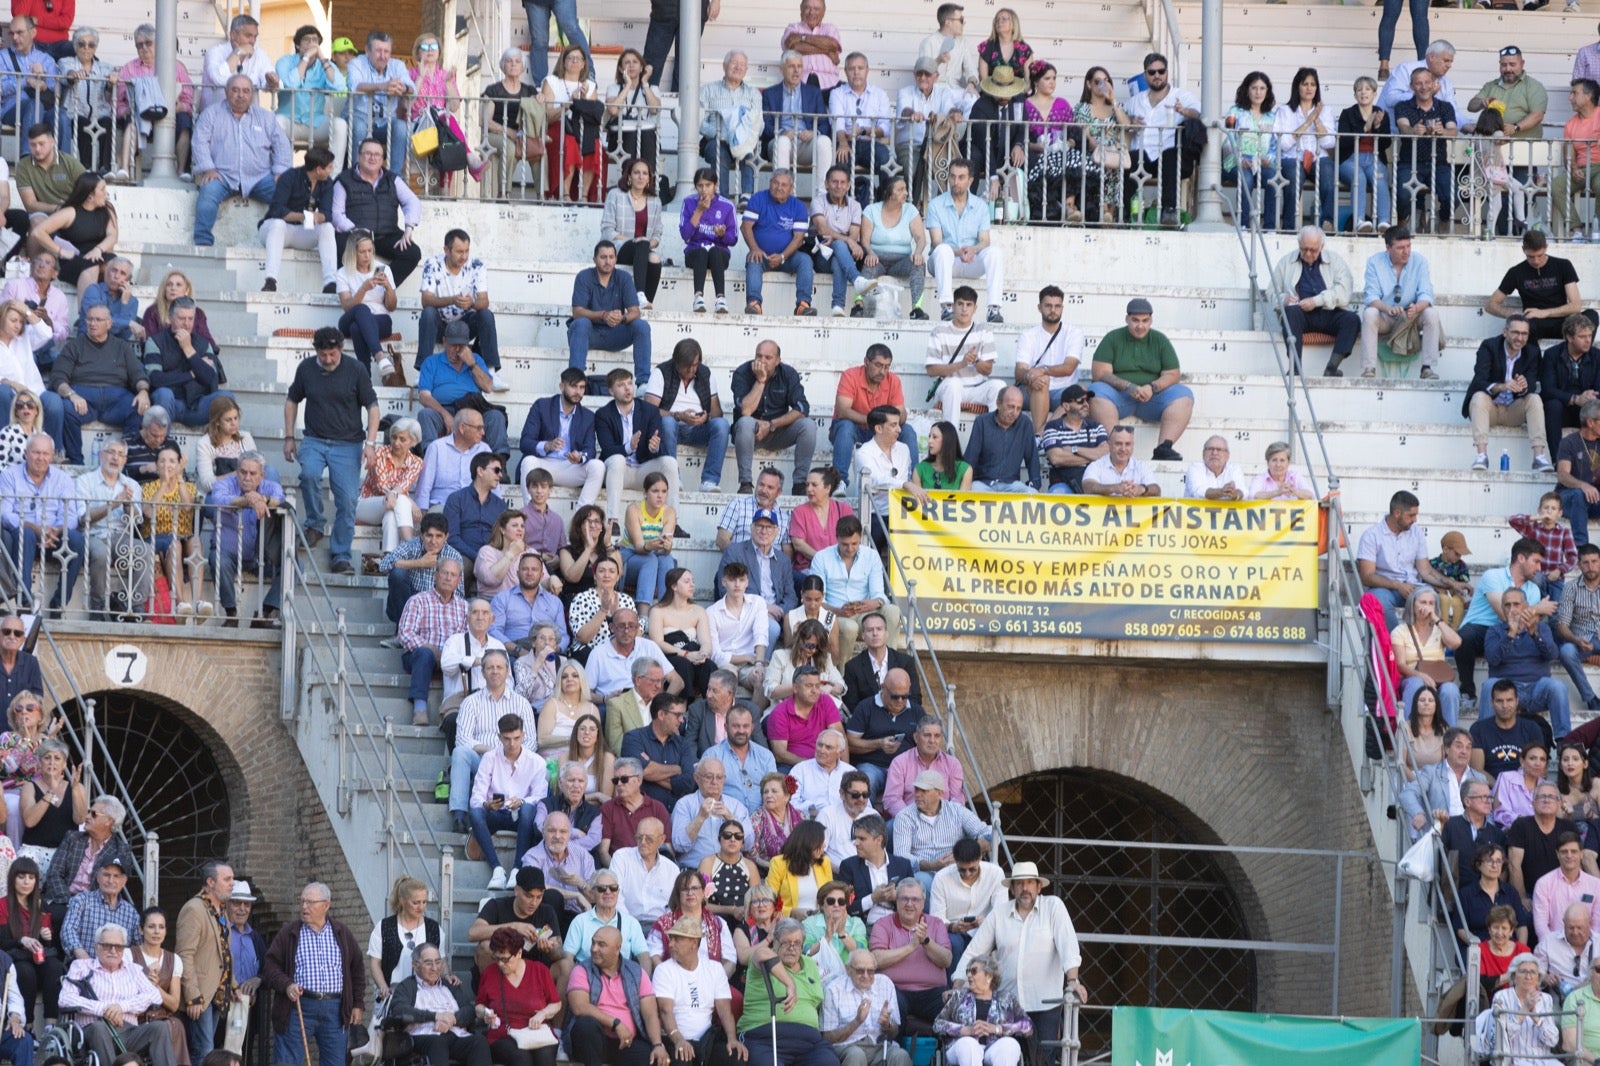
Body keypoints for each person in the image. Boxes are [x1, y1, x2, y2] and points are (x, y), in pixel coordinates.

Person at [284, 325, 381, 575]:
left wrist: (370, 444)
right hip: (315, 438)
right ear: (316, 351)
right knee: (309, 475)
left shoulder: (356, 369)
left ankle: (340, 555)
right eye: (323, 355)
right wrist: (289, 436)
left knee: (348, 501)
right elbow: (292, 399)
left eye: (332, 355)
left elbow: (373, 407)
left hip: (348, 443)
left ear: (341, 349)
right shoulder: (306, 368)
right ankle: (315, 523)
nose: (327, 360)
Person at [1085, 299, 1192, 462]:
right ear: (1127, 319)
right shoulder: (1113, 338)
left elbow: (1173, 374)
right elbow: (1100, 372)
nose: (1140, 326)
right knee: (1096, 391)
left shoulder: (1160, 340)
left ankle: (1164, 448)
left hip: (1152, 398)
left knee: (1184, 394)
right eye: (1135, 320)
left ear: (1151, 320)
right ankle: (1114, 446)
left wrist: (1152, 387)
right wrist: (1127, 386)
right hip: (1119, 397)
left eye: (1145, 321)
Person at [191, 74, 291, 247]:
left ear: (252, 94)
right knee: (207, 195)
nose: (240, 95)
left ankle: (291, 238)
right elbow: (199, 141)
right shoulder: (211, 114)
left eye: (246, 91)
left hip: (260, 177)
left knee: (288, 196)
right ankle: (202, 244)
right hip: (222, 176)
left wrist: (280, 172)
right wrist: (208, 168)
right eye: (235, 90)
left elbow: (282, 145)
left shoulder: (266, 117)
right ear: (226, 92)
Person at [59, 922, 174, 1066]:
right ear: (97, 946)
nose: (113, 951)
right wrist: (103, 1009)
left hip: (129, 1032)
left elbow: (154, 995)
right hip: (91, 1031)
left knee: (160, 1028)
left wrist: (121, 1007)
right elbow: (65, 999)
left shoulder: (133, 970)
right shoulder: (81, 966)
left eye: (119, 947)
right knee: (99, 1028)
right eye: (107, 945)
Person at [48, 301, 146, 464]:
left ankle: (127, 460)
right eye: (89, 319)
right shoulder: (74, 346)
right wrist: (72, 395)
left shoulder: (122, 347)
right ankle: (75, 460)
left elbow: (138, 373)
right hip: (84, 400)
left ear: (109, 324)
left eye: (98, 320)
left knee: (139, 408)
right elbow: (58, 377)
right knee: (66, 408)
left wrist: (143, 392)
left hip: (117, 401)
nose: (92, 323)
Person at [0, 433, 82, 611]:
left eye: (46, 453)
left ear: (52, 455)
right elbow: (5, 514)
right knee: (26, 534)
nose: (41, 458)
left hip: (53, 538)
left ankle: (59, 603)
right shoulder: (9, 476)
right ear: (26, 454)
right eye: (36, 453)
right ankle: (25, 600)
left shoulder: (63, 479)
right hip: (23, 537)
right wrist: (36, 529)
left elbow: (71, 516)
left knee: (76, 539)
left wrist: (55, 531)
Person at [736, 916, 833, 1066]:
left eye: (797, 943)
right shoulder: (763, 961)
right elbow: (761, 953)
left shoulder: (810, 964)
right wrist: (790, 984)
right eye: (786, 942)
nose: (792, 948)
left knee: (829, 1062)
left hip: (810, 1043)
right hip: (765, 1039)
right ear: (775, 943)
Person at [74, 437, 153, 619]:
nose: (115, 458)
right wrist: (113, 504)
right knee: (101, 553)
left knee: (145, 550)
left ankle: (135, 607)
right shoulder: (85, 481)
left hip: (120, 536)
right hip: (93, 534)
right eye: (111, 452)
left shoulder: (131, 485)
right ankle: (98, 607)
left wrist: (127, 504)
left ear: (125, 460)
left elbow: (136, 521)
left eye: (120, 454)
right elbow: (83, 518)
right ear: (101, 455)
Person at [415, 230, 504, 386]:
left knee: (486, 315)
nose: (464, 256)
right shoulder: (432, 264)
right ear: (446, 250)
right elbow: (426, 300)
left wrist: (472, 304)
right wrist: (452, 300)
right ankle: (423, 371)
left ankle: (490, 372)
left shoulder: (477, 265)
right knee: (428, 313)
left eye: (466, 251)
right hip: (441, 325)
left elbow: (484, 301)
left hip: (465, 326)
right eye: (459, 252)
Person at [652, 916, 744, 1066]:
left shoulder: (714, 969)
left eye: (677, 939)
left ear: (694, 943)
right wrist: (679, 1040)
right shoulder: (664, 970)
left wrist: (732, 1039)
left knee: (735, 1058)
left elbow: (725, 1011)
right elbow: (665, 1012)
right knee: (682, 1059)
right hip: (673, 1039)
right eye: (671, 938)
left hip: (707, 1040)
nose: (671, 944)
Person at [331, 139, 423, 287]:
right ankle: (348, 291)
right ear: (359, 156)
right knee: (340, 246)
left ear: (382, 159)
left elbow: (412, 201)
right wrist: (355, 230)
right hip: (355, 234)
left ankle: (379, 286)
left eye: (377, 155)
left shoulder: (392, 180)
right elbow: (336, 214)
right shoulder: (344, 180)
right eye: (368, 153)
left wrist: (409, 228)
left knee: (412, 253)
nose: (372, 158)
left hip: (387, 234)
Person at [1466, 315, 1550, 473]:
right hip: (1490, 409)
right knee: (1478, 397)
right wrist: (1502, 386)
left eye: (1524, 334)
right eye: (1515, 332)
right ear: (1505, 332)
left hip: (1513, 410)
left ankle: (1538, 457)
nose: (1520, 338)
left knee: (1534, 398)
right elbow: (1479, 380)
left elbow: (1531, 384)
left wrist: (1524, 386)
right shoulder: (1489, 346)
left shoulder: (1532, 352)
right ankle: (1481, 455)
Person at [1271, 227, 1358, 377]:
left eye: (1313, 250)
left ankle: (1332, 367)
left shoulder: (1335, 261)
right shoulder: (1286, 262)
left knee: (1352, 320)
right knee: (1290, 313)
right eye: (1304, 249)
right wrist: (1284, 298)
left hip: (1329, 312)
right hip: (1301, 314)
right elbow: (1271, 291)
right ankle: (1295, 367)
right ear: (1299, 245)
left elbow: (1344, 293)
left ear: (1322, 247)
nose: (1308, 254)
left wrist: (1316, 301)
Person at [1124, 53, 1198, 229]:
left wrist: (1184, 111)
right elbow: (1120, 120)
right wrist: (1130, 122)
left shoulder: (1181, 96)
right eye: (1152, 72)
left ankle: (1169, 210)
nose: (1157, 75)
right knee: (1127, 160)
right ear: (1145, 75)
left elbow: (1202, 114)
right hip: (1142, 154)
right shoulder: (1136, 100)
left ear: (1167, 73)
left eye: (1161, 71)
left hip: (1167, 154)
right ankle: (1125, 214)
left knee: (1171, 156)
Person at [731, 341, 816, 495]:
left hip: (777, 430)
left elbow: (802, 409)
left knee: (808, 425)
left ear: (778, 361)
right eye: (758, 356)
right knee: (745, 423)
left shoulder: (788, 374)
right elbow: (746, 410)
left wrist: (771, 424)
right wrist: (760, 380)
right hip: (750, 433)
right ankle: (745, 483)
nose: (762, 361)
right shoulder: (742, 373)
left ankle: (799, 484)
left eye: (768, 357)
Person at [926, 160, 1003, 323]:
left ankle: (994, 309)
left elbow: (984, 240)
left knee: (995, 252)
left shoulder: (980, 206)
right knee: (943, 250)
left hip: (970, 260)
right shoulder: (935, 205)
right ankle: (947, 307)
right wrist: (958, 252)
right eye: (952, 177)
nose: (956, 182)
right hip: (944, 262)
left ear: (970, 181)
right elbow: (936, 242)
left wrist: (973, 250)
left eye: (961, 177)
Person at [1488, 232, 1592, 349]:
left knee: (1591, 315)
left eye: (1540, 255)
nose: (1536, 261)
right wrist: (1512, 314)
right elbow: (1490, 305)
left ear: (1546, 247)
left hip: (1563, 323)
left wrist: (1543, 313)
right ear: (1523, 250)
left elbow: (1575, 306)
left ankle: (1581, 360)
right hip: (1534, 324)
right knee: (1523, 326)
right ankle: (1532, 363)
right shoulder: (1516, 272)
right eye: (1531, 256)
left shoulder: (1563, 265)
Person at [868, 878, 950, 1028]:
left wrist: (926, 941)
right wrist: (911, 947)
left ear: (923, 902)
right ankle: (896, 1050)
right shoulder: (882, 924)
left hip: (932, 992)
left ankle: (947, 1051)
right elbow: (876, 959)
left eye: (915, 899)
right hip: (895, 989)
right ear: (897, 901)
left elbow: (946, 960)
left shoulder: (936, 923)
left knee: (951, 1012)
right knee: (892, 1011)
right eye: (904, 898)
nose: (909, 904)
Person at [259, 149, 340, 299]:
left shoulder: (327, 183)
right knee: (278, 224)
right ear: (318, 169)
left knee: (327, 227)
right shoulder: (289, 177)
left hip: (302, 231)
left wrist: (318, 217)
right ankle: (270, 280)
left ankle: (331, 283)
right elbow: (277, 210)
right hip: (274, 230)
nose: (332, 169)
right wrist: (303, 216)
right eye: (329, 166)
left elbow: (327, 214)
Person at [476, 926, 562, 1066]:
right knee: (521, 1058)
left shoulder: (539, 970)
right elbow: (479, 1005)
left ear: (519, 953)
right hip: (504, 1034)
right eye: (496, 958)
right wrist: (485, 1013)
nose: (500, 964)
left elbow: (556, 1003)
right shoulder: (490, 973)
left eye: (505, 959)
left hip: (536, 1032)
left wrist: (542, 1014)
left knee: (545, 1058)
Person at [810, 518, 899, 651]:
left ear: (861, 538)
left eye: (854, 543)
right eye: (845, 544)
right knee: (850, 628)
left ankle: (889, 661)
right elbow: (817, 600)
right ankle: (842, 670)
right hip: (834, 613)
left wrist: (874, 603)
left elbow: (878, 594)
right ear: (837, 538)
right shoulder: (821, 557)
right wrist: (838, 611)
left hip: (864, 612)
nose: (850, 548)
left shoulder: (871, 556)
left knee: (893, 611)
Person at [570, 242, 652, 385]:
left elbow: (635, 312)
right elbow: (577, 312)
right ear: (594, 259)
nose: (607, 261)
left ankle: (643, 383)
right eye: (603, 257)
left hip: (616, 333)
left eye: (611, 257)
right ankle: (576, 381)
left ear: (616, 259)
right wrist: (603, 315)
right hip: (590, 334)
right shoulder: (584, 277)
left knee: (642, 326)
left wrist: (622, 318)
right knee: (580, 323)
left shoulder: (624, 277)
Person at [272, 24, 348, 176]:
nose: (312, 43)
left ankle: (333, 177)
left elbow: (340, 86)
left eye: (315, 40)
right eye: (307, 40)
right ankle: (283, 175)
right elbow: (291, 84)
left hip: (315, 122)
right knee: (277, 122)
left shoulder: (325, 65)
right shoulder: (285, 61)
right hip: (289, 120)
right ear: (298, 45)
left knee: (340, 125)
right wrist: (306, 58)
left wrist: (322, 57)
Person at [141, 299, 229, 428]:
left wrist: (189, 350)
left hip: (197, 405)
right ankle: (164, 444)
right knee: (164, 393)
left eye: (190, 319)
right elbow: (155, 379)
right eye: (181, 318)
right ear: (170, 318)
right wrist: (191, 374)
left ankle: (219, 447)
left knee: (227, 397)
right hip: (170, 404)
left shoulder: (204, 344)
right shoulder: (155, 341)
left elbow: (210, 378)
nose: (186, 324)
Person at [933, 954, 1030, 1066]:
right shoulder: (959, 996)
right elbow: (937, 1024)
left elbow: (1027, 1025)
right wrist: (965, 1030)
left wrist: (997, 1029)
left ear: (989, 976)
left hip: (993, 1048)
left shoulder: (1007, 999)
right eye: (967, 971)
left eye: (974, 971)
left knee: (1010, 1044)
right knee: (968, 1044)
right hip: (961, 1048)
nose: (969, 975)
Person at [741, 170, 814, 318]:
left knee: (805, 260)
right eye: (775, 183)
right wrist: (754, 249)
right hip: (761, 255)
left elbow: (798, 238)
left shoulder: (798, 206)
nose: (779, 187)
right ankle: (754, 304)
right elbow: (745, 226)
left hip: (788, 258)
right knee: (753, 260)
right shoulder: (758, 199)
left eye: (784, 185)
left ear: (791, 188)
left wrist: (782, 257)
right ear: (770, 183)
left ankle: (802, 305)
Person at [926, 287, 1002, 425]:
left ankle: (994, 438)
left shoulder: (984, 330)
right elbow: (931, 370)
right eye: (960, 304)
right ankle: (951, 440)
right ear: (953, 306)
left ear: (975, 308)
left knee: (999, 386)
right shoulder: (939, 331)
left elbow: (988, 370)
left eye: (969, 305)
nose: (964, 309)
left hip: (977, 388)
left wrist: (976, 360)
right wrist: (961, 364)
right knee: (954, 385)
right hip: (948, 387)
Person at [542, 44, 605, 203]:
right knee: (568, 144)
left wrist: (582, 101)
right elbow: (547, 116)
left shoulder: (590, 85)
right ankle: (565, 194)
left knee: (596, 147)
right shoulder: (551, 81)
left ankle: (584, 196)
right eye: (570, 58)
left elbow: (593, 114)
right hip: (559, 126)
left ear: (584, 63)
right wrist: (570, 102)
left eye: (578, 58)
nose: (574, 61)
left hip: (583, 127)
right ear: (563, 62)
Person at [859, 176, 929, 320]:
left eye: (905, 189)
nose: (906, 193)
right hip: (877, 258)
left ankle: (917, 308)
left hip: (901, 260)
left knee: (919, 264)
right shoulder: (871, 210)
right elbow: (865, 240)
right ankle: (858, 305)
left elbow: (921, 239)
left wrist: (918, 252)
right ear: (889, 193)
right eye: (900, 190)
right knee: (868, 266)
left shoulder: (910, 210)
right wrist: (870, 253)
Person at [343, 31, 412, 174]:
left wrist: (402, 88)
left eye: (387, 51)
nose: (383, 56)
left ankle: (394, 178)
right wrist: (382, 86)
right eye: (378, 51)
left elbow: (412, 89)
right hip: (359, 117)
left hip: (385, 122)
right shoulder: (356, 63)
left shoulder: (397, 65)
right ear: (368, 51)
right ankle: (357, 176)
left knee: (400, 126)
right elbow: (356, 86)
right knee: (360, 127)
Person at [829, 55, 893, 208]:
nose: (856, 72)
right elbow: (837, 123)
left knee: (885, 159)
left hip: (870, 142)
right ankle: (843, 207)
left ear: (867, 70)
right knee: (842, 161)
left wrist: (864, 131)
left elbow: (885, 128)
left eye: (860, 68)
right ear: (845, 71)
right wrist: (843, 144)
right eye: (851, 68)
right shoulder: (837, 93)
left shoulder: (880, 94)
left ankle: (885, 205)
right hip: (846, 142)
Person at [762, 51, 831, 187]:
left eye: (799, 66)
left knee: (824, 141)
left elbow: (825, 125)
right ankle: (782, 194)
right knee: (782, 142)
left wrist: (814, 133)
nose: (796, 71)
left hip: (806, 143)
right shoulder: (770, 93)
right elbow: (765, 125)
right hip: (780, 142)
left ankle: (822, 195)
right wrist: (782, 132)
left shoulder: (813, 92)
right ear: (782, 69)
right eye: (791, 66)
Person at [367, 875, 438, 1003]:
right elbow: (375, 963)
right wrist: (383, 986)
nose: (421, 907)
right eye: (416, 902)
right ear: (402, 901)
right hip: (392, 995)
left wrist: (448, 975)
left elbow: (441, 960)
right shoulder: (384, 927)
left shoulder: (433, 928)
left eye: (424, 902)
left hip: (425, 997)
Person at [620, 692, 697, 809]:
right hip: (643, 812)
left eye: (683, 715)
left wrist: (649, 774)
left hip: (676, 813)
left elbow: (688, 782)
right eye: (678, 715)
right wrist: (677, 769)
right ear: (661, 714)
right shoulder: (634, 738)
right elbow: (639, 771)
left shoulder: (682, 743)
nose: (682, 720)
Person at [1541, 316, 1600, 465]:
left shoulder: (1597, 356)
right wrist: (1575, 399)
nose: (1588, 340)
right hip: (1563, 409)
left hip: (1588, 408)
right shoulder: (1551, 355)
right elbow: (1548, 389)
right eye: (1582, 336)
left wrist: (1590, 397)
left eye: (1589, 336)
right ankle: (1558, 461)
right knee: (1552, 405)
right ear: (1569, 337)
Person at [681, 168, 740, 315]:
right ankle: (698, 298)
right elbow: (685, 235)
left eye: (708, 185)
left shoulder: (727, 206)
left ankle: (721, 299)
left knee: (714, 251)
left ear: (716, 185)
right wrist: (699, 211)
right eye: (700, 186)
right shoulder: (689, 202)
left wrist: (722, 235)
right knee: (701, 252)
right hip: (694, 252)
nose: (704, 190)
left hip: (719, 254)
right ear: (695, 187)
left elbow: (733, 239)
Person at [961, 388, 1037, 495]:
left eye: (1018, 408)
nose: (1015, 413)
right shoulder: (982, 422)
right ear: (998, 404)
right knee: (971, 490)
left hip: (1012, 485)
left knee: (1032, 493)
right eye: (1010, 407)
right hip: (983, 484)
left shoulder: (1025, 424)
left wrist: (1034, 484)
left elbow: (1032, 458)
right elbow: (970, 457)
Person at [599, 758, 672, 865]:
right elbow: (603, 851)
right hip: (620, 870)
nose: (619, 784)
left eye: (624, 779)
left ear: (639, 780)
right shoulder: (608, 808)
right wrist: (617, 874)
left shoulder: (657, 808)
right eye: (615, 780)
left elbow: (667, 848)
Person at [1553, 79, 1600, 241]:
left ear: (1588, 96)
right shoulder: (1571, 124)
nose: (1570, 97)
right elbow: (1569, 152)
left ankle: (1598, 230)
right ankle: (1577, 229)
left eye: (1574, 93)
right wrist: (1573, 168)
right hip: (1582, 169)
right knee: (1557, 186)